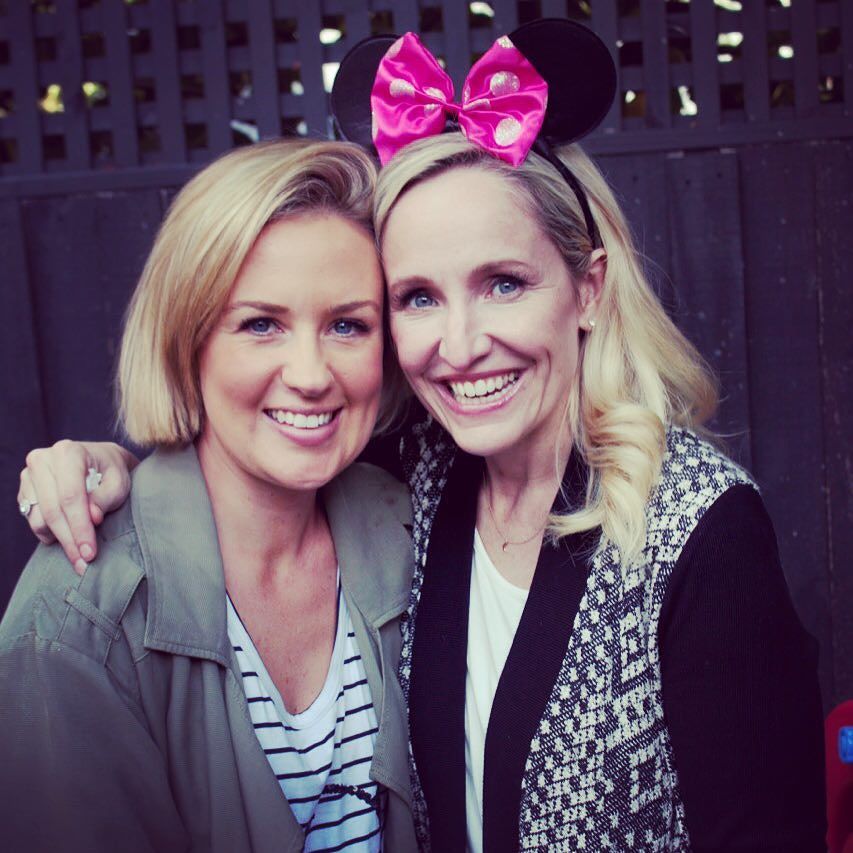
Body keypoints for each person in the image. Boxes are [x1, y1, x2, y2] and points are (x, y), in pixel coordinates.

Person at [16, 21, 826, 853]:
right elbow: (243, 454)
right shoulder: (423, 475)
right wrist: (109, 466)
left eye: (502, 283)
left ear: (587, 290)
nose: (460, 345)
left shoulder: (697, 529)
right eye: (418, 298)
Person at [2, 139, 418, 852]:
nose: (311, 374)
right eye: (261, 324)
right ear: (186, 341)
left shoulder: (418, 527)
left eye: (347, 325)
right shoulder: (77, 616)